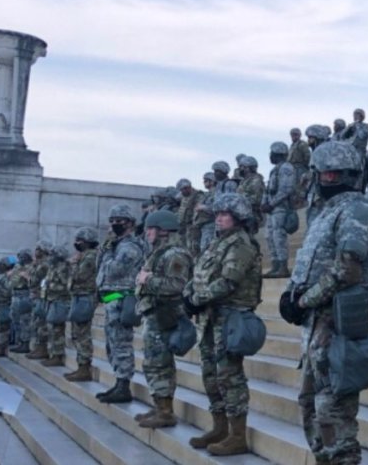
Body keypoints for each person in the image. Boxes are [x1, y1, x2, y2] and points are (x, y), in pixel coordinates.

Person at [284, 141, 368, 464]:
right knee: (310, 404)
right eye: (325, 174)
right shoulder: (327, 213)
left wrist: (303, 301)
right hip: (318, 324)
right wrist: (295, 295)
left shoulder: (358, 210)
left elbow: (348, 267)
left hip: (338, 322)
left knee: (333, 411)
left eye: (334, 174)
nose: (328, 180)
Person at [184, 193, 263, 456]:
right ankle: (220, 427)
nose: (218, 218)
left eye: (224, 214)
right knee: (211, 375)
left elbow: (229, 281)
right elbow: (200, 274)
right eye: (217, 214)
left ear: (238, 217)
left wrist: (196, 299)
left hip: (230, 318)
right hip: (210, 317)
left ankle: (237, 435)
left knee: (230, 377)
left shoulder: (240, 244)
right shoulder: (218, 243)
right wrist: (190, 294)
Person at [134, 210, 193, 429]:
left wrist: (148, 280)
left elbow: (177, 285)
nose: (147, 233)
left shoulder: (174, 254)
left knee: (160, 364)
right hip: (154, 314)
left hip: (164, 315)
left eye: (151, 228)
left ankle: (166, 411)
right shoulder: (160, 253)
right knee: (153, 363)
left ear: (163, 230)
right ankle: (160, 405)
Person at [95, 204, 147, 403]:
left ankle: (124, 385)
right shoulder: (116, 244)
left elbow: (115, 270)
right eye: (113, 221)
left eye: (120, 221)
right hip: (112, 297)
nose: (115, 224)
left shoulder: (130, 246)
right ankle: (118, 381)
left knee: (121, 342)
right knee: (112, 342)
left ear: (131, 224)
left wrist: (108, 254)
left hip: (123, 297)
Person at [63, 227, 100, 382]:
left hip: (86, 297)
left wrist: (72, 265)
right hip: (79, 296)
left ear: (87, 242)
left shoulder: (90, 257)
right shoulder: (84, 256)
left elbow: (80, 276)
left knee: (82, 333)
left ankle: (84, 368)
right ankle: (81, 366)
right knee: (77, 332)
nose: (76, 243)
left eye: (79, 241)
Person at [262, 141, 296, 278]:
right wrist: (264, 203)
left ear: (277, 153)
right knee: (269, 237)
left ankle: (283, 267)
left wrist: (272, 203)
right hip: (272, 209)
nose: (270, 155)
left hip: (280, 208)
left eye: (272, 152)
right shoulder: (274, 170)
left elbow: (286, 189)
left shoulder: (286, 168)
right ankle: (275, 265)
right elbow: (268, 189)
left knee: (278, 237)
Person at [39, 246, 71, 367]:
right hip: (51, 300)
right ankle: (52, 353)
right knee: (51, 328)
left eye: (52, 255)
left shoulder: (63, 268)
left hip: (60, 301)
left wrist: (51, 287)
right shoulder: (53, 267)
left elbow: (66, 286)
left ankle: (57, 355)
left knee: (57, 329)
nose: (49, 257)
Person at [25, 240, 52, 360]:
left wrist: (27, 277)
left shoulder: (44, 264)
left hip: (41, 296)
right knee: (36, 323)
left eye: (38, 249)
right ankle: (38, 347)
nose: (35, 251)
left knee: (41, 323)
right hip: (36, 296)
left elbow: (33, 280)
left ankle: (42, 348)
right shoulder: (39, 263)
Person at [304, 124, 333, 227]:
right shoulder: (317, 151)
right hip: (314, 195)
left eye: (310, 138)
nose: (308, 141)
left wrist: (318, 196)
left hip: (321, 195)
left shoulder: (324, 151)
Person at [8, 249, 33, 354]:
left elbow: (34, 281)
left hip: (24, 295)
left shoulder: (31, 267)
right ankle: (19, 342)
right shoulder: (17, 266)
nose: (21, 258)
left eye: (23, 256)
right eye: (20, 256)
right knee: (16, 319)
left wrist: (27, 276)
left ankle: (25, 343)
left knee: (25, 320)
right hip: (15, 294)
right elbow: (11, 278)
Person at [236, 156, 265, 233]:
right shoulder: (244, 181)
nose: (240, 169)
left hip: (252, 215)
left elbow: (256, 199)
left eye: (242, 167)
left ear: (248, 168)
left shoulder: (256, 180)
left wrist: (239, 200)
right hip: (243, 214)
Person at [176, 178, 203, 255]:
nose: (181, 192)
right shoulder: (183, 196)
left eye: (182, 190)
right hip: (183, 226)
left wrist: (194, 224)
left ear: (188, 188)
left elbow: (197, 211)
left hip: (192, 226)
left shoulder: (198, 195)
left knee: (192, 247)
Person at [195, 172, 218, 255]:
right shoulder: (208, 194)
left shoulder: (216, 193)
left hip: (210, 225)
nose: (204, 183)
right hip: (204, 225)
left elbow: (217, 208)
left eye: (205, 180)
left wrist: (204, 207)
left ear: (212, 181)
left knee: (206, 250)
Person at [288, 127, 312, 204]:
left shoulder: (302, 144)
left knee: (300, 187)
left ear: (299, 135)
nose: (294, 137)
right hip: (292, 168)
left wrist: (305, 167)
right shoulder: (292, 145)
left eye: (296, 135)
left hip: (300, 168)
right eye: (292, 135)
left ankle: (300, 201)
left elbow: (307, 156)